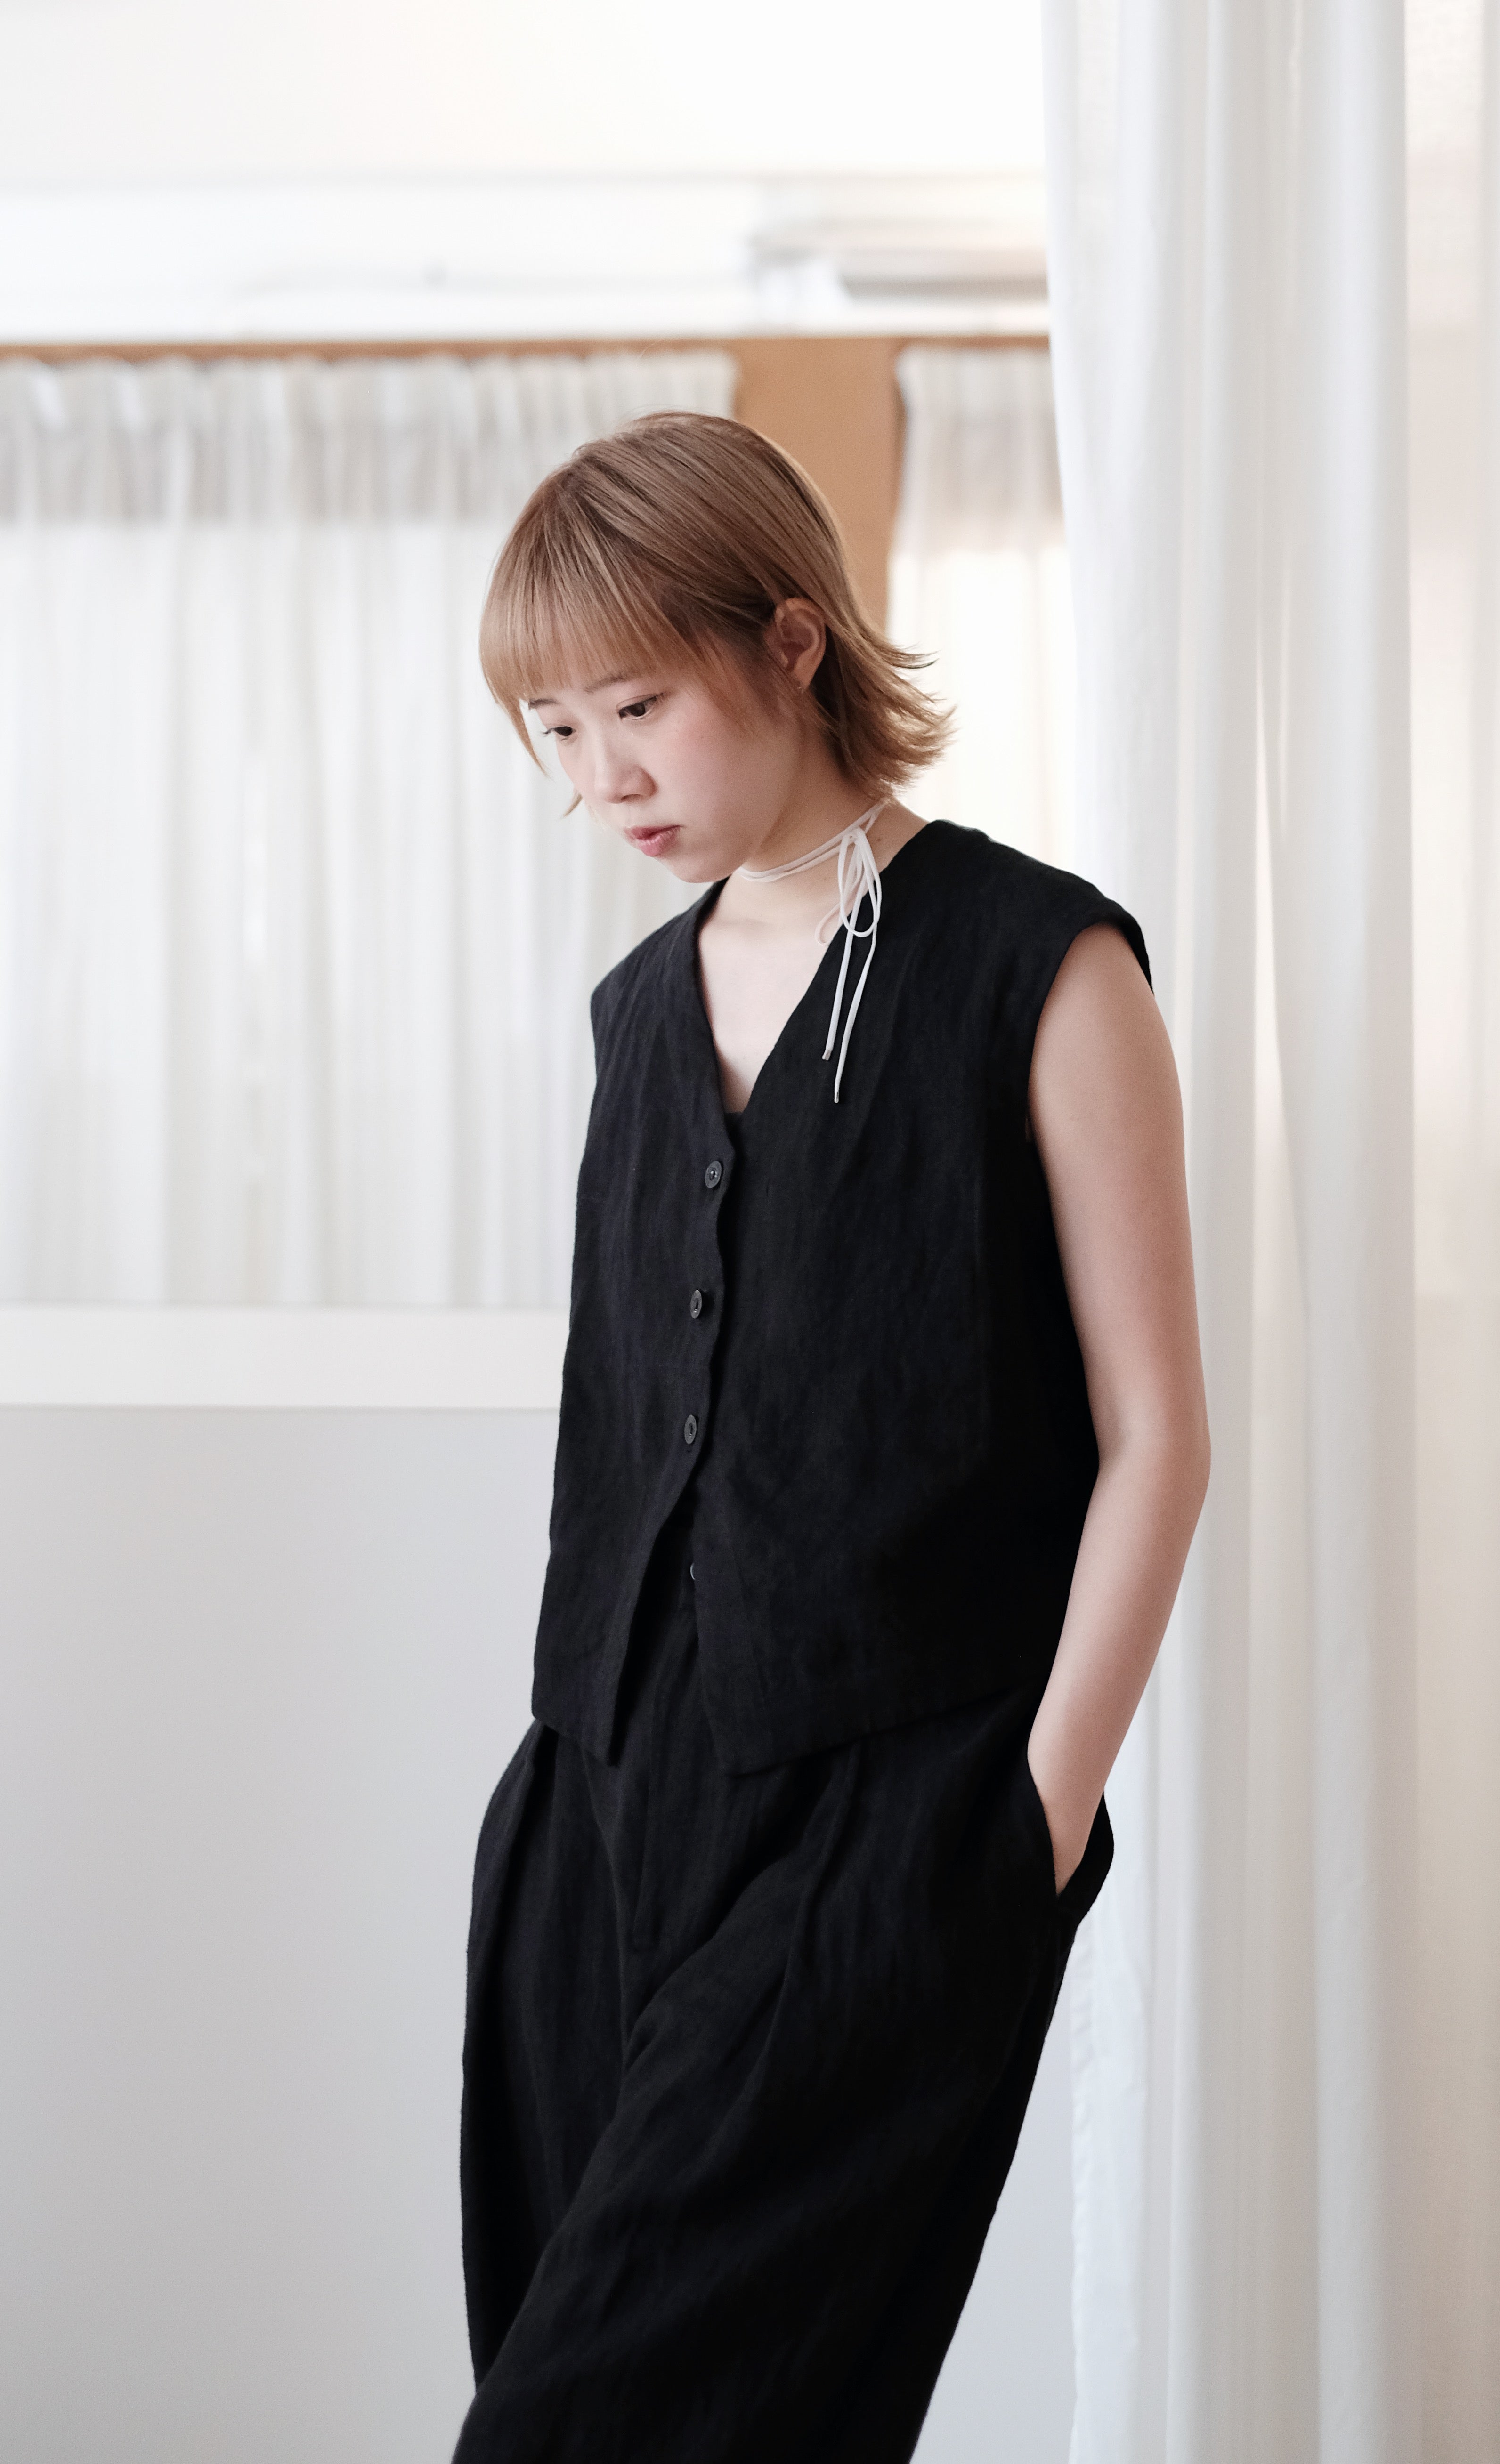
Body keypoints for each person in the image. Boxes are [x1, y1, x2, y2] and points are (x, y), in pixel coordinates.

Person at [454, 411, 1208, 2463]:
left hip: (894, 1824)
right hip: (595, 1813)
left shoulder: (1041, 966)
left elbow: (1158, 1431)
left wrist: (1030, 1825)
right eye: (554, 730)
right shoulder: (634, 1016)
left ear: (791, 644)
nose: (600, 777)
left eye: (637, 707)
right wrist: (561, 1799)